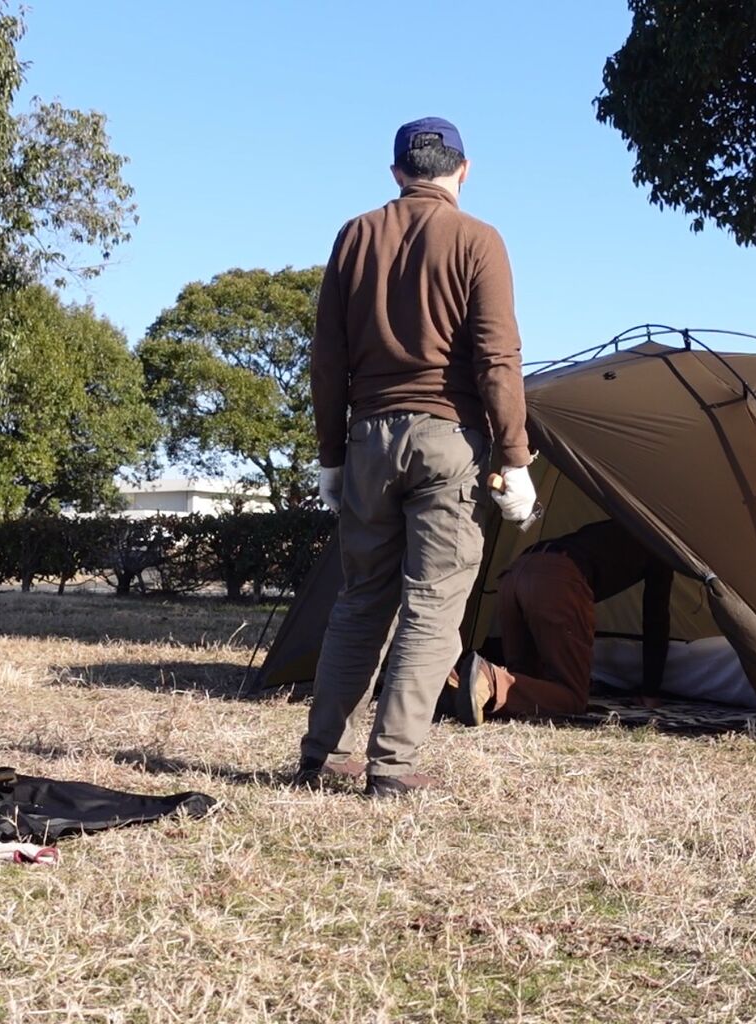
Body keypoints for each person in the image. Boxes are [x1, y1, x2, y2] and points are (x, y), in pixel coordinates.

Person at [295, 116, 536, 798]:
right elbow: (496, 358)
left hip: (368, 438)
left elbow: (327, 360)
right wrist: (514, 458)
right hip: (448, 440)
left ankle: (324, 755)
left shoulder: (356, 234)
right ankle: (393, 768)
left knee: (360, 598)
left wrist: (330, 456)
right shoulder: (478, 240)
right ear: (462, 170)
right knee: (431, 606)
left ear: (398, 171)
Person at [454, 519, 673, 724]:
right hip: (558, 577)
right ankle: (489, 680)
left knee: (526, 680)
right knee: (572, 697)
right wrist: (651, 692)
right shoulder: (662, 544)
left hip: (517, 572)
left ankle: (456, 685)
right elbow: (656, 619)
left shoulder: (619, 522)